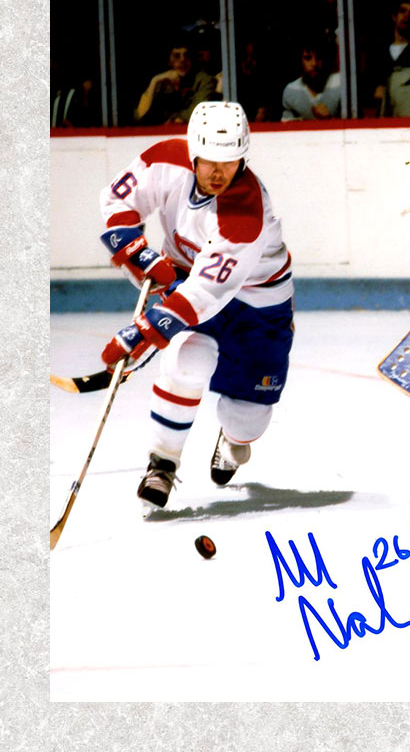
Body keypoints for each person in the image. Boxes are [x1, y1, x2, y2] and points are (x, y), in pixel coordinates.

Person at [98, 102, 294, 509]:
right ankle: (163, 464)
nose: (219, 172)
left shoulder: (246, 212)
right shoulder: (165, 160)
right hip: (190, 280)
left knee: (247, 421)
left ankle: (234, 442)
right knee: (187, 362)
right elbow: (117, 203)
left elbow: (206, 294)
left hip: (259, 304)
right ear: (192, 151)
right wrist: (137, 252)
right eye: (209, 161)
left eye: (230, 161)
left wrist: (142, 330)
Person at [134, 40, 217, 125]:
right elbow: (139, 115)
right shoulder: (161, 82)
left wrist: (173, 118)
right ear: (169, 61)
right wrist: (154, 81)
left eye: (186, 55)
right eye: (177, 56)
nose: (182, 60)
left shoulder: (204, 80)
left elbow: (197, 113)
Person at [281, 41, 342, 121]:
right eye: (308, 58)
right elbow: (286, 128)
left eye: (319, 57)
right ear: (299, 61)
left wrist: (329, 119)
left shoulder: (339, 84)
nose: (314, 63)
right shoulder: (291, 91)